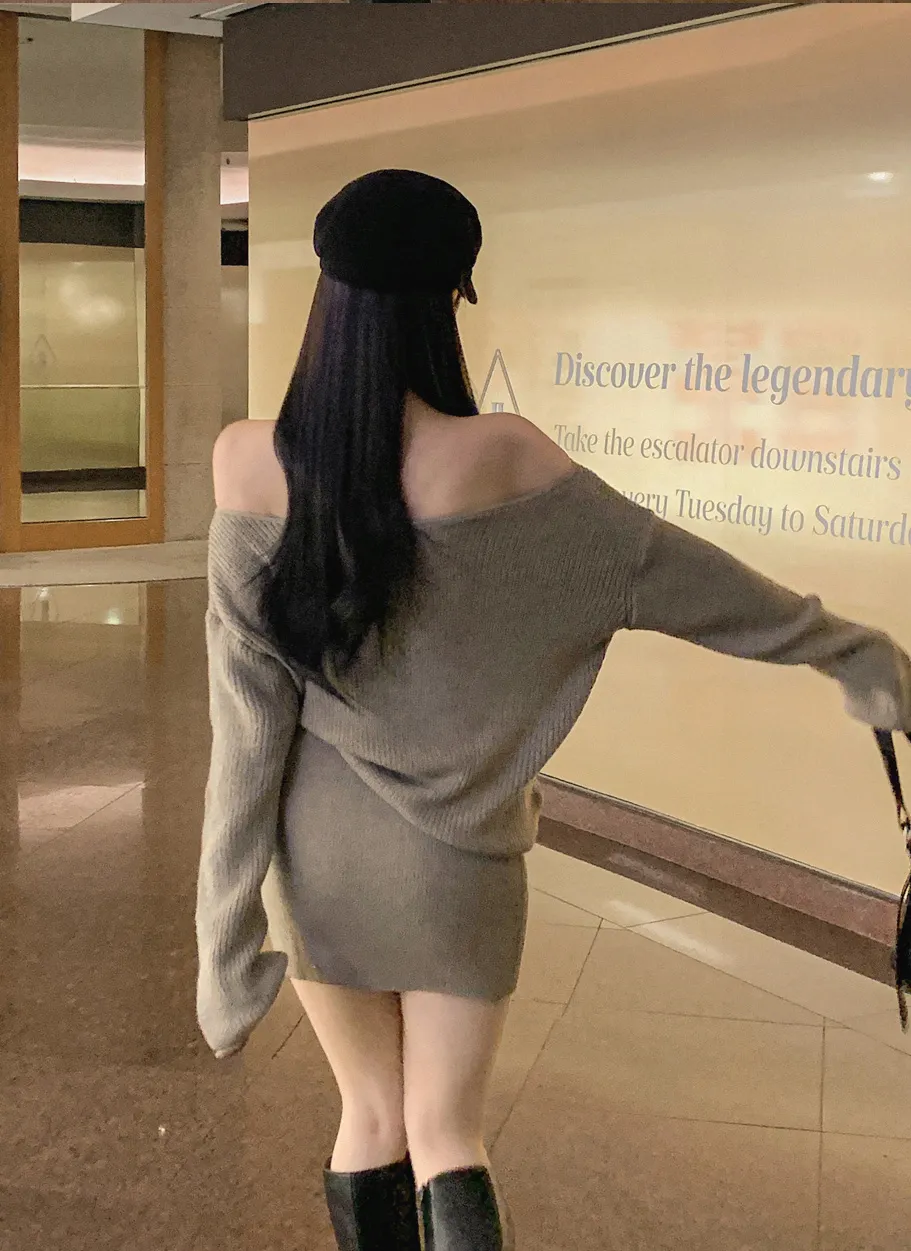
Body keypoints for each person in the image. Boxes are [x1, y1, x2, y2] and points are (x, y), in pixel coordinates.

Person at [195, 169, 911, 1251]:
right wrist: (854, 653)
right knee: (446, 1133)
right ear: (451, 297)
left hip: (320, 850)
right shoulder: (510, 460)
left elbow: (245, 737)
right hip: (460, 860)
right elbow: (701, 588)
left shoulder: (247, 464)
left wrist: (224, 937)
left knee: (368, 1114)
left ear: (325, 296)